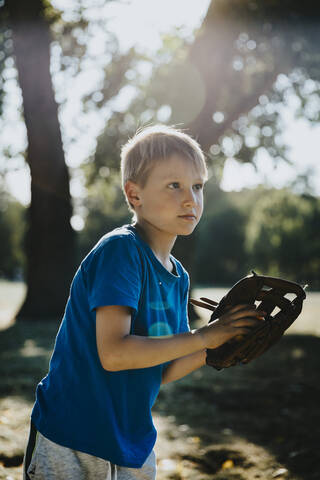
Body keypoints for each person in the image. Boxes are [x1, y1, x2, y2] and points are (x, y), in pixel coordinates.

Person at [23, 124, 265, 480]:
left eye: (197, 186)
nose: (190, 199)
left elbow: (163, 367)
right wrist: (203, 338)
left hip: (130, 440)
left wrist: (216, 346)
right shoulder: (122, 250)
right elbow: (115, 353)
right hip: (71, 435)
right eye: (174, 185)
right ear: (134, 195)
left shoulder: (178, 276)